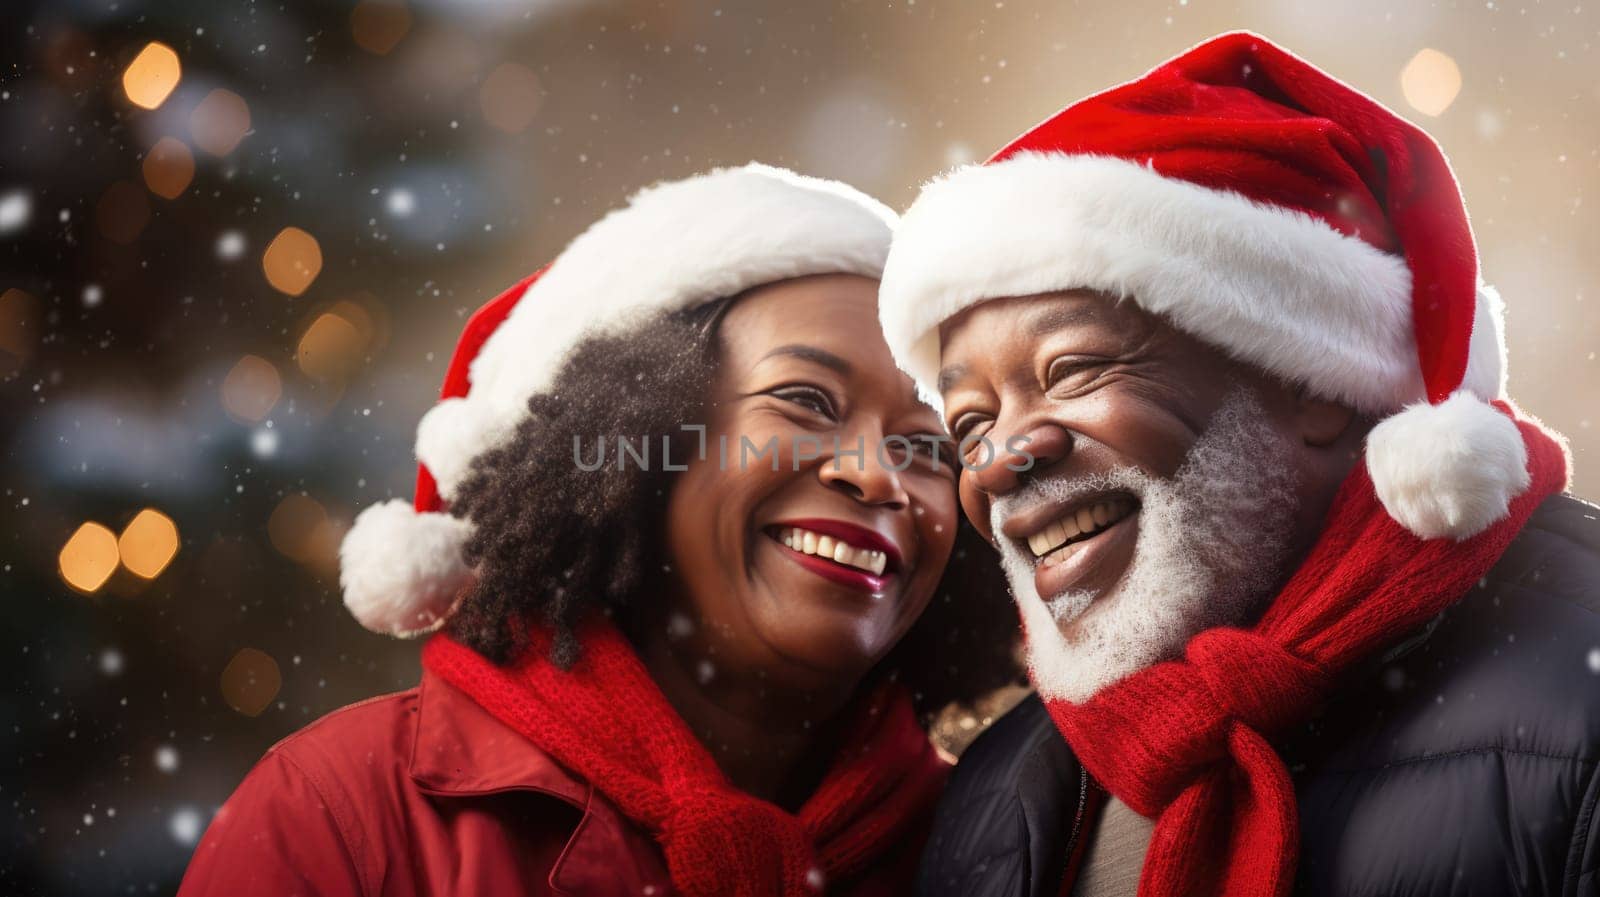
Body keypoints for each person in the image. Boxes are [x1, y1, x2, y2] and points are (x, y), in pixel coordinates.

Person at [876, 32, 1600, 897]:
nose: (996, 462)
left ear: (1312, 380)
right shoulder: (995, 790)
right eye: (970, 420)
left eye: (1069, 370)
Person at [177, 164, 1016, 897]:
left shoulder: (1010, 847)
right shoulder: (340, 818)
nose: (877, 472)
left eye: (928, 444)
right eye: (803, 399)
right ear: (637, 440)